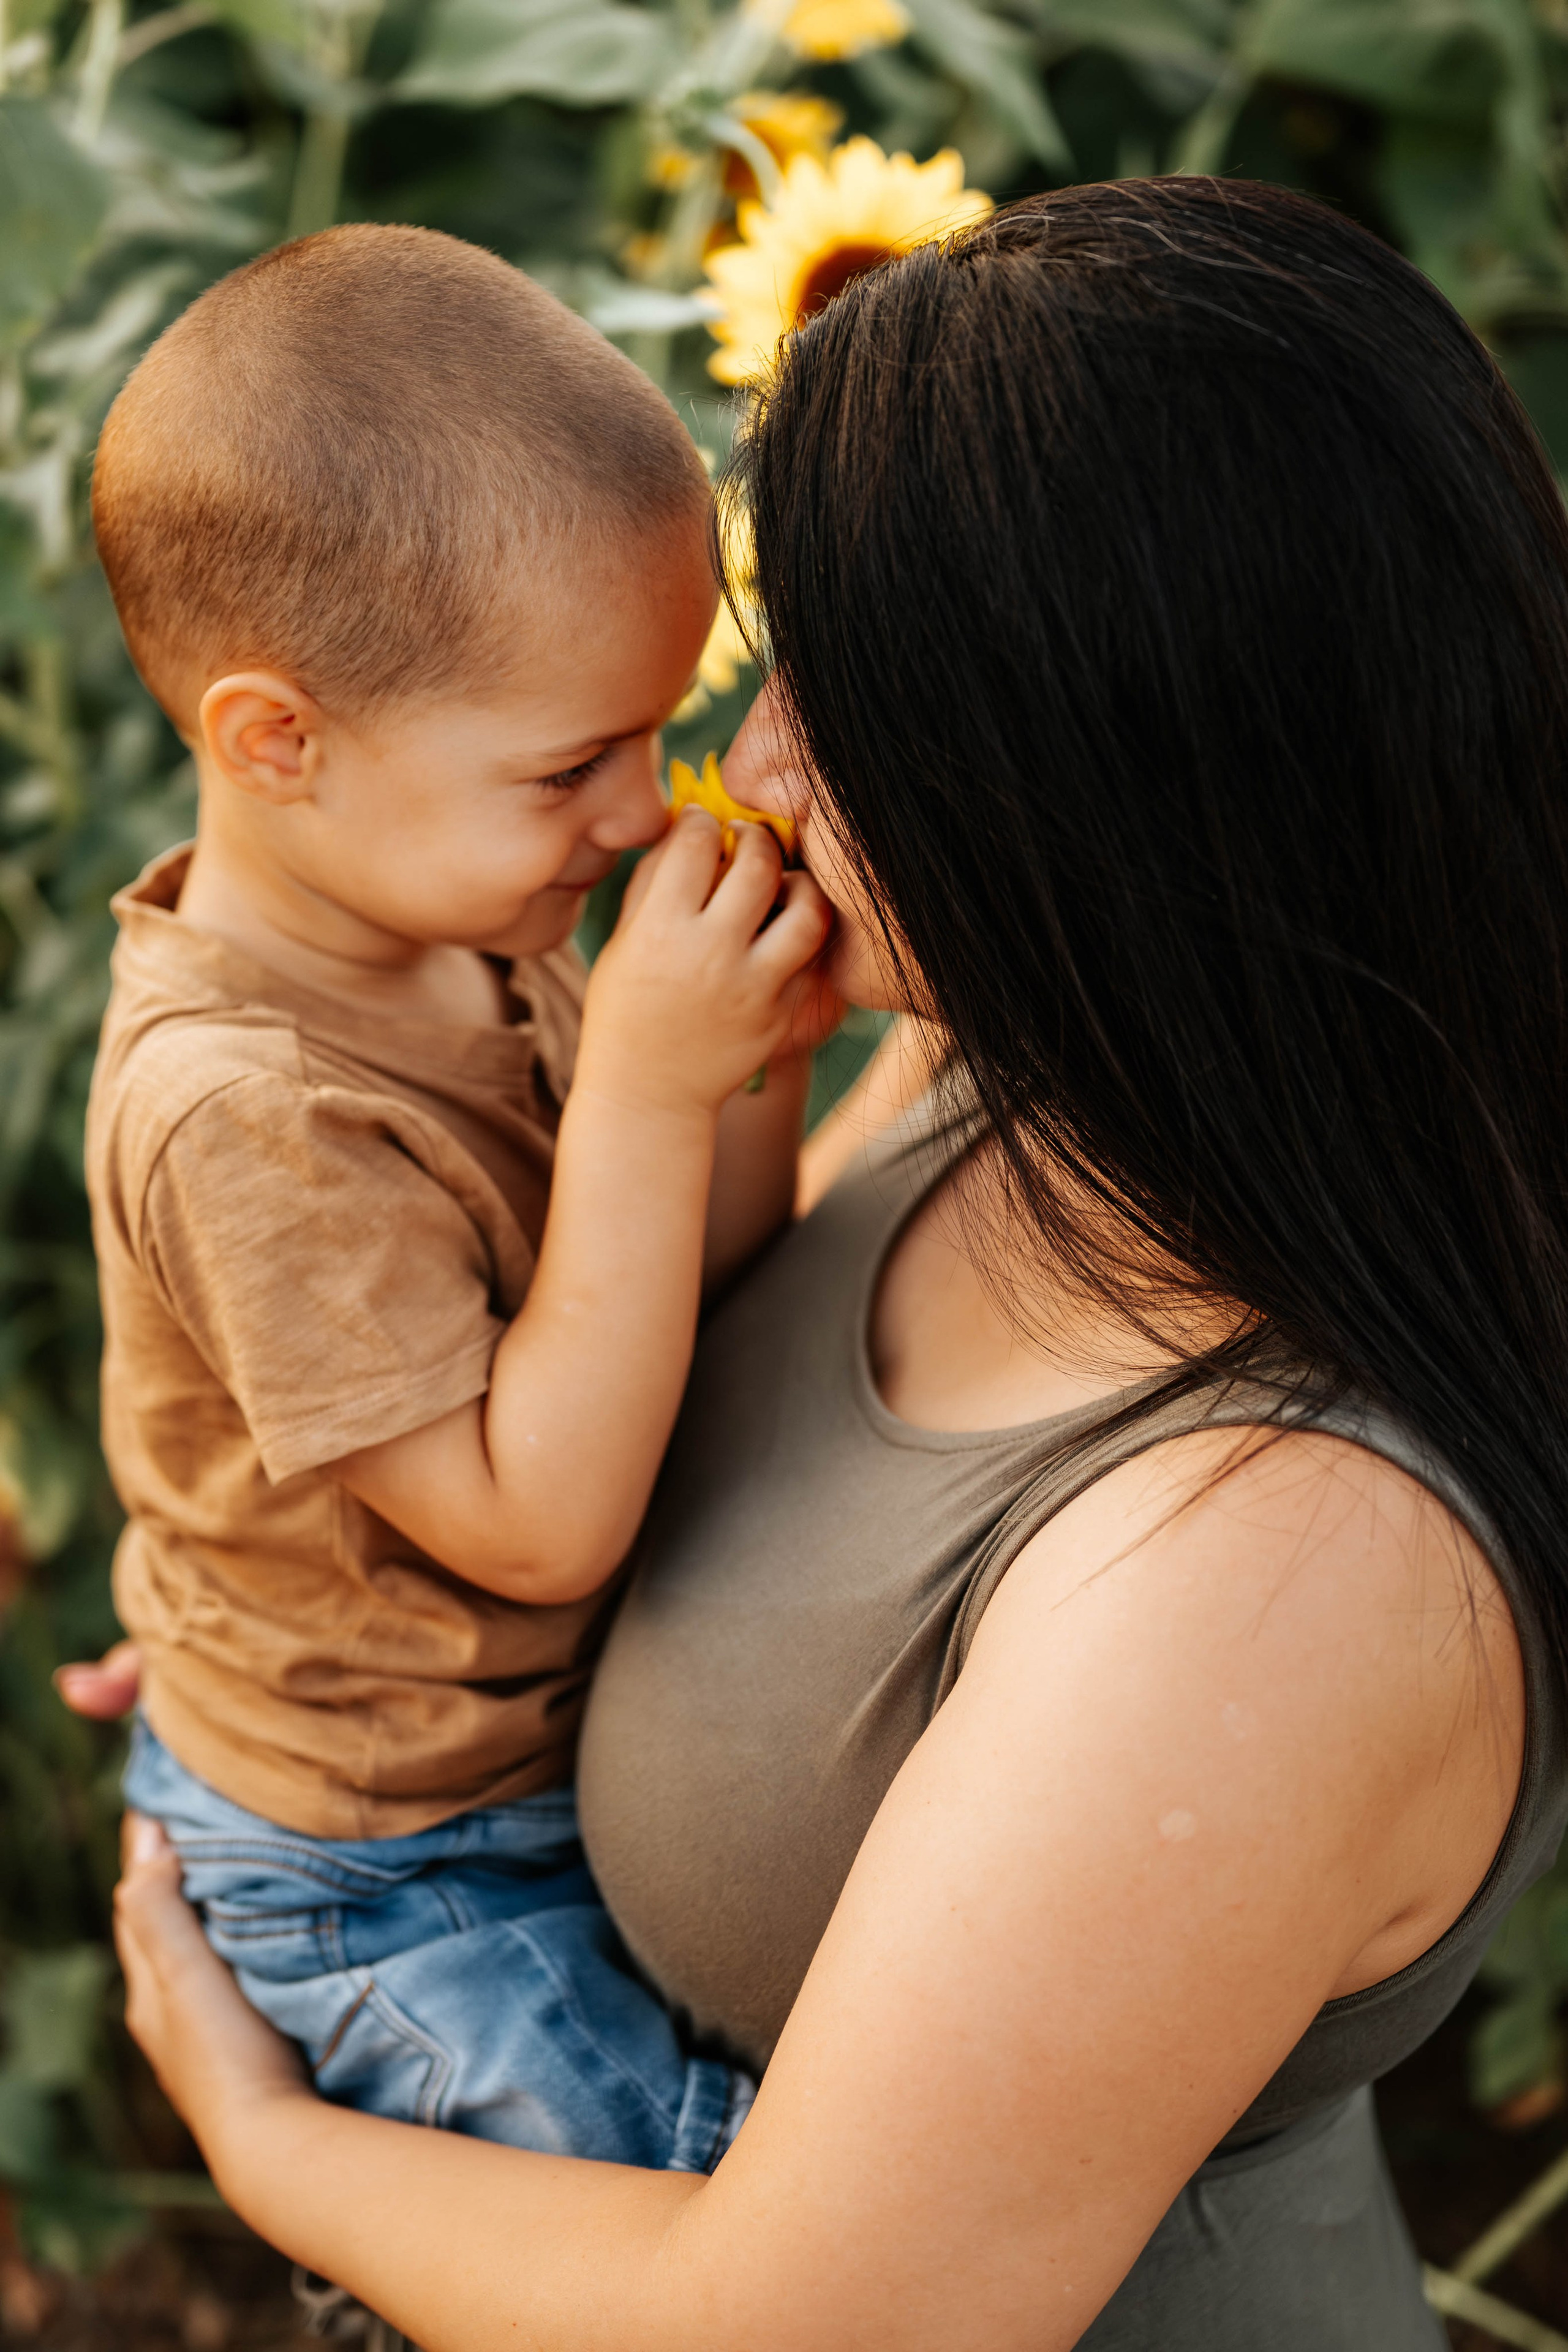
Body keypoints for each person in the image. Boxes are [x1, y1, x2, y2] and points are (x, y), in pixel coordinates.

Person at [103, 175, 1568, 2349]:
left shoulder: (1277, 1568)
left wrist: (261, 2140)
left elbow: (797, 2324)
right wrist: (296, 1578)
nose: (742, 767)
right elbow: (645, 1363)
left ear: (1098, 793)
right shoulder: (1037, 1080)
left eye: (837, 692)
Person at [83, 220, 835, 2174]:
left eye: (659, 734)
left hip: (492, 1770)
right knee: (682, 2213)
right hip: (390, 1863)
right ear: (278, 743)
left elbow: (691, 1283)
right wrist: (658, 1084)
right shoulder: (242, 1105)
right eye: (575, 761)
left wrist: (757, 1060)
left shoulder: (456, 922)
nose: (642, 809)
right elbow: (538, 1517)